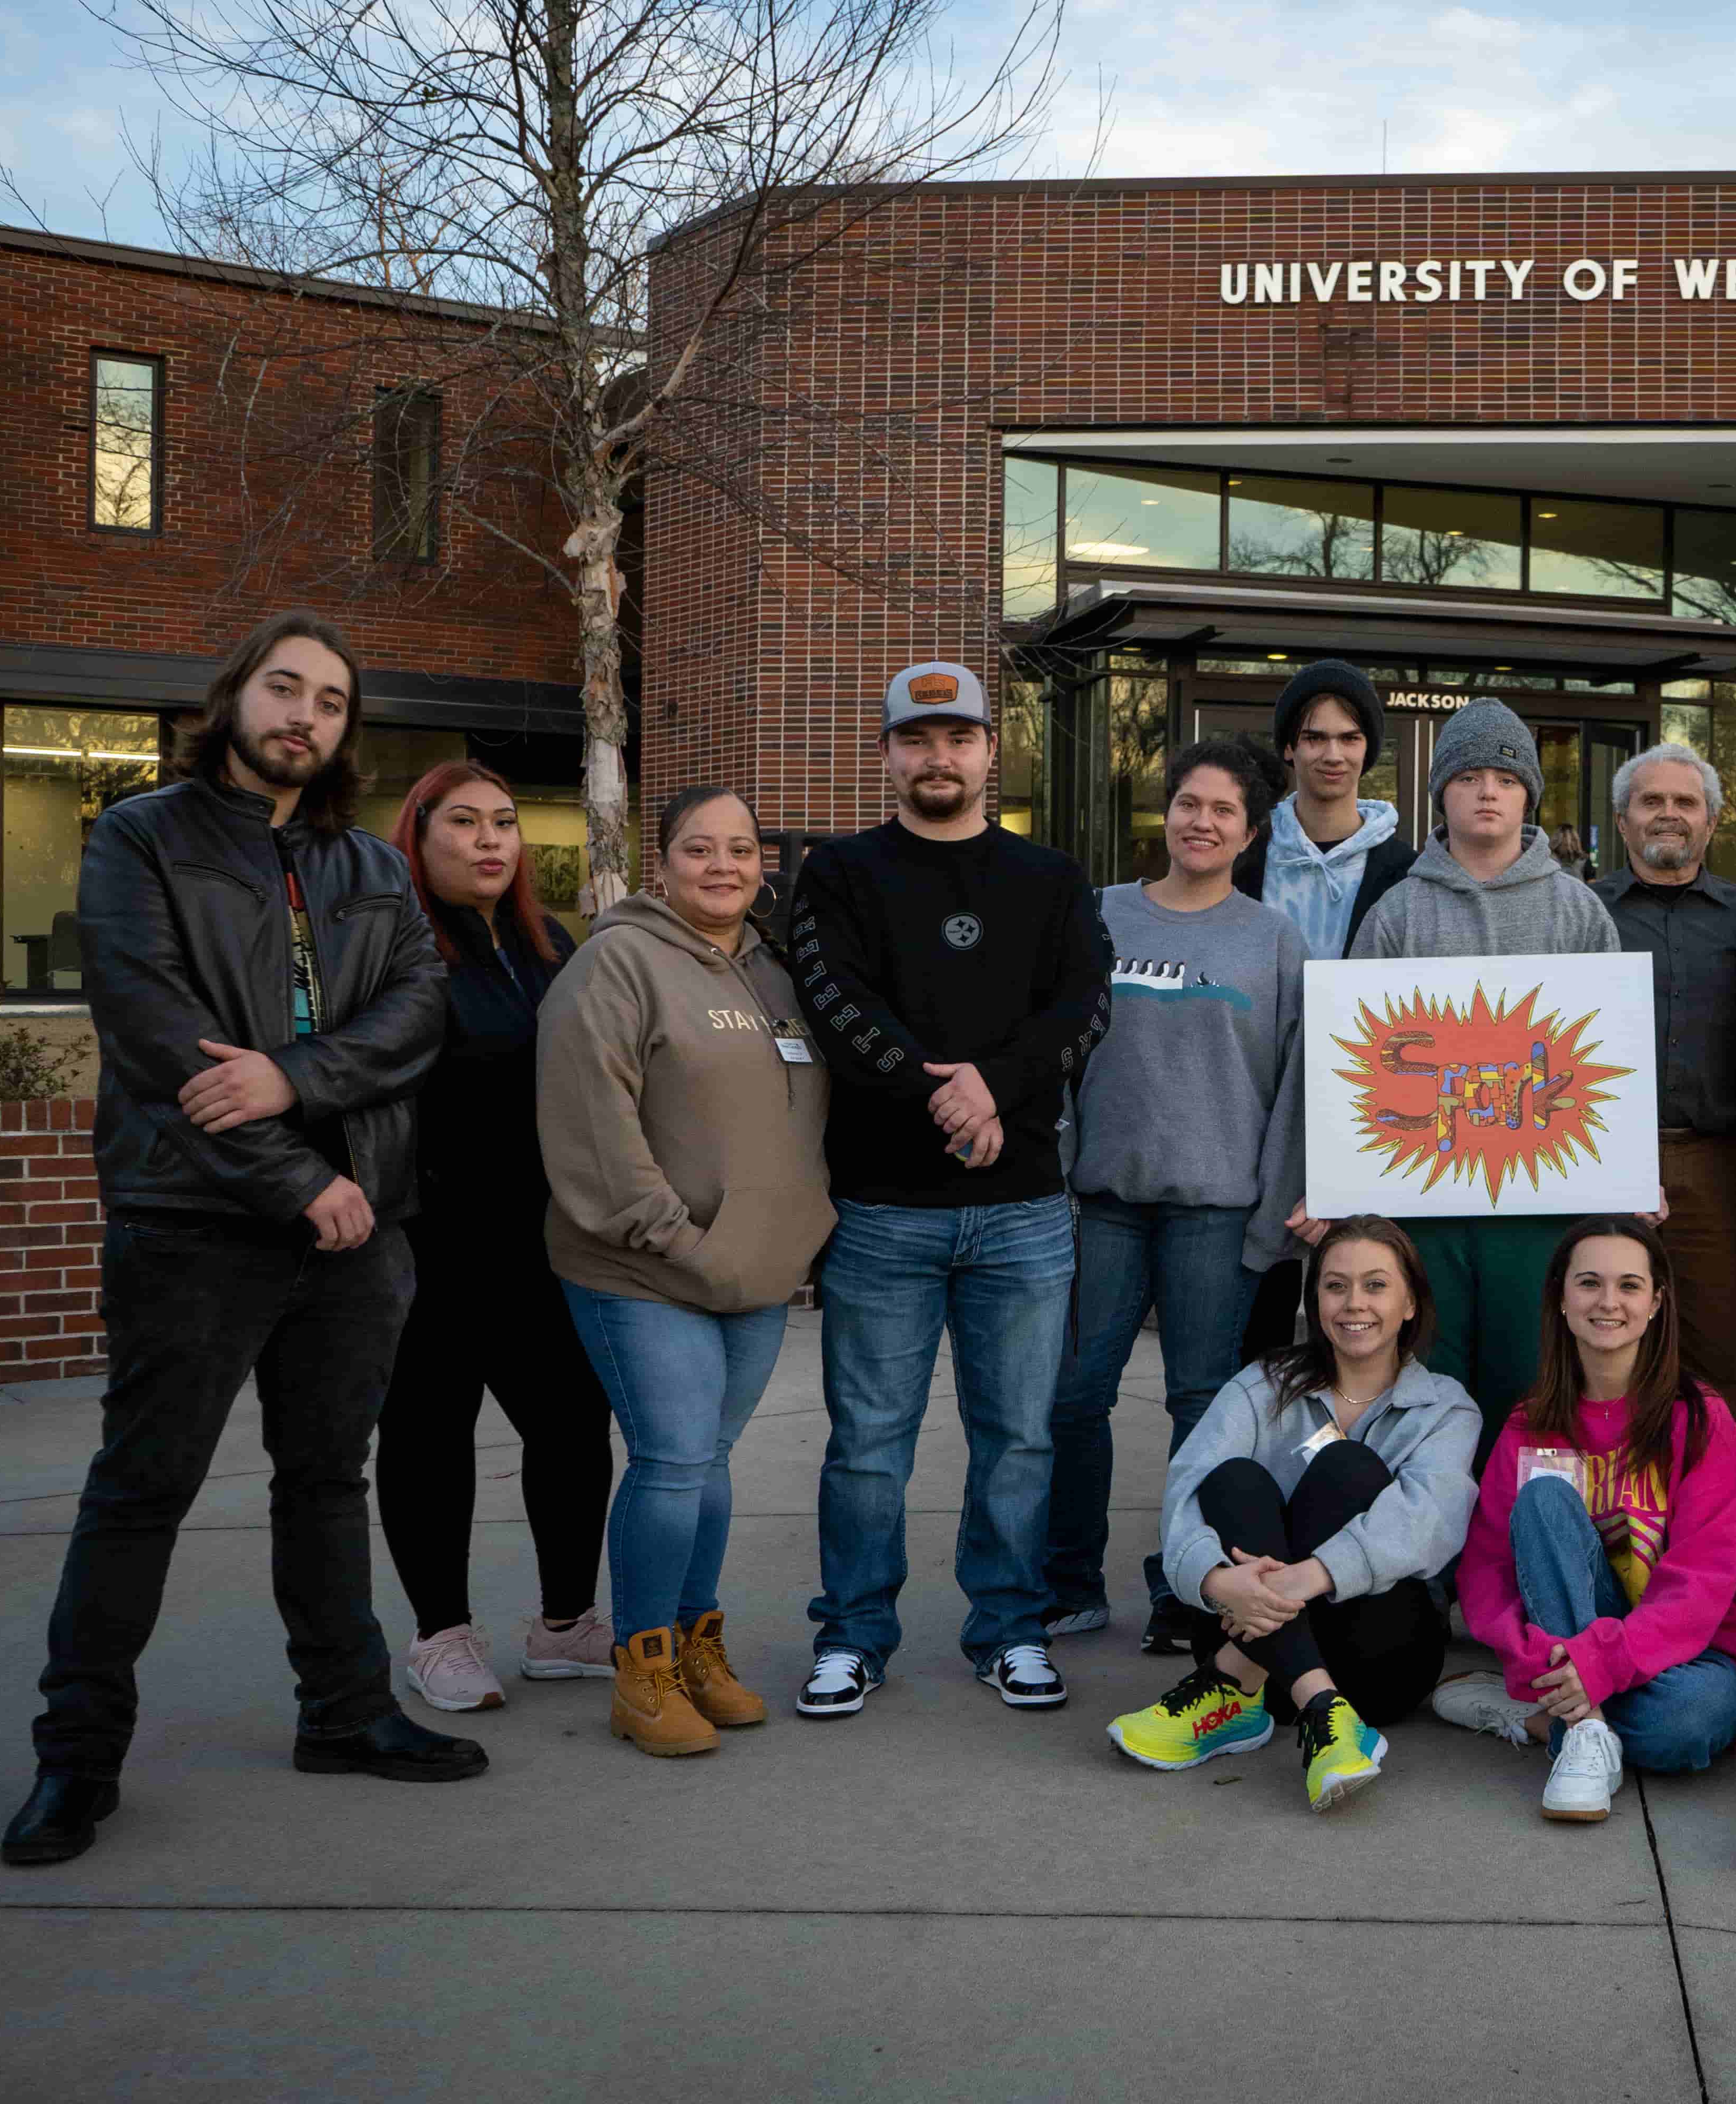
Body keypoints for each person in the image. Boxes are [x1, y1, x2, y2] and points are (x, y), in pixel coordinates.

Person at [5, 611, 475, 1868]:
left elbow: (418, 1010)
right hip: (195, 1220)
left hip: (358, 1222)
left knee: (327, 1480)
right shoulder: (139, 836)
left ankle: (347, 1710)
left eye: (330, 701)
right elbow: (153, 1031)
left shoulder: (371, 866)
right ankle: (76, 1761)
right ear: (236, 697)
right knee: (141, 1488)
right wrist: (292, 1177)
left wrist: (293, 1080)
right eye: (286, 687)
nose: (304, 716)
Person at [789, 661, 1113, 1716]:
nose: (940, 756)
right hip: (883, 1209)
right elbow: (833, 996)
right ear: (887, 754)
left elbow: (1084, 1004)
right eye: (918, 738)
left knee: (1018, 1435)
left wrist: (994, 1086)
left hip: (1024, 1209)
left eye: (959, 736)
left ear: (989, 752)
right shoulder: (840, 872)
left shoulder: (1051, 879)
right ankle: (853, 1633)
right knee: (871, 1440)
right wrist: (940, 1093)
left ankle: (1010, 1627)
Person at [536, 785, 833, 1758]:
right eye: (700, 849)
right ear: (661, 864)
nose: (723, 866)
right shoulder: (615, 964)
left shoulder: (774, 973)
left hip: (752, 1274)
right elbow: (595, 1127)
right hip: (645, 1271)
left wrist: (792, 1234)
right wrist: (681, 1242)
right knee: (669, 1462)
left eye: (742, 850)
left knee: (706, 1466)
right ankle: (643, 1666)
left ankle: (700, 1647)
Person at [1045, 737, 1309, 1657]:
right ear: (1168, 812)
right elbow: (1056, 1053)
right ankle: (1069, 1582)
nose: (1202, 823)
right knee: (1075, 1395)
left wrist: (1278, 1211)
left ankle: (1186, 1589)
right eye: (1189, 804)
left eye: (1223, 811)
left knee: (1201, 1407)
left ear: (1251, 829)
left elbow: (1298, 1089)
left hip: (1216, 1210)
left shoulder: (1271, 938)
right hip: (1105, 1202)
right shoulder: (1099, 915)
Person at [372, 761, 617, 1713]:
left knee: (570, 1427)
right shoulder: (393, 945)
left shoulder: (544, 939)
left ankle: (564, 1626)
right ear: (420, 835)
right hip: (427, 1234)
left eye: (506, 823)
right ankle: (441, 1636)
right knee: (431, 1435)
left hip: (543, 1235)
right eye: (466, 823)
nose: (490, 841)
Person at [1106, 1219, 1479, 1812]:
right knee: (1231, 1478)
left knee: (1347, 1470)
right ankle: (1320, 1709)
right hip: (1252, 1631)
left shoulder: (1444, 1407)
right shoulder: (1264, 1383)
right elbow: (1189, 1485)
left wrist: (1299, 1578)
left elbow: (1429, 1521)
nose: (1354, 1303)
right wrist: (1210, 1578)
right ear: (1316, 1301)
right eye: (1335, 1286)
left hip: (1377, 1660)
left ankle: (1228, 1685)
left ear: (1411, 1302)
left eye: (1376, 1285)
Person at [1347, 697, 1621, 1451]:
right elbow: (1360, 1063)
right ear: (1443, 793)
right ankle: (1429, 1554)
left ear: (1530, 792)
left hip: (1539, 1199)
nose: (1488, 791)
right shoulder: (1398, 914)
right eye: (1469, 775)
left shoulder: (1579, 913)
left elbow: (1612, 1058)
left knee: (1531, 1385)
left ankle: (1516, 1552)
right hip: (1423, 1197)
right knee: (1428, 1384)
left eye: (1506, 775)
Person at [1437, 1218, 1736, 1822]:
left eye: (1629, 1285)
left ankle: (1544, 1718)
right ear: (1562, 1301)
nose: (1609, 1302)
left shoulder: (1701, 1420)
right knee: (1542, 1498)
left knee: (1689, 1720)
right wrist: (1533, 1655)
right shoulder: (1530, 1422)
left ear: (1655, 1303)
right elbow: (1487, 1570)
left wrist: (1595, 1666)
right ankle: (1587, 1727)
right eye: (1590, 1283)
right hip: (1573, 1638)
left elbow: (1702, 1582)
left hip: (1692, 1658)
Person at [1232, 659, 1416, 1364]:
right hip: (1254, 1109)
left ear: (1369, 748)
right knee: (1256, 1333)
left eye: (1348, 738)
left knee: (1363, 1325)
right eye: (1314, 737)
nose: (1332, 754)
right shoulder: (1245, 855)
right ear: (1289, 747)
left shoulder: (1408, 871)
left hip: (1371, 1116)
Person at [1592, 743, 1736, 1401]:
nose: (1669, 814)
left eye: (1686, 802)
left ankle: (1709, 1505)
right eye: (1651, 801)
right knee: (1603, 1352)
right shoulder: (1584, 911)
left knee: (1714, 1363)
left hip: (1717, 1167)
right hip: (1597, 1161)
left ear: (1711, 822)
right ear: (1624, 819)